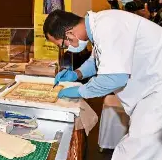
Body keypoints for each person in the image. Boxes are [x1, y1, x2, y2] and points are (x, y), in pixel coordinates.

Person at [44, 10, 162, 159]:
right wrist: (76, 74)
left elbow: (115, 78)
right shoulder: (100, 25)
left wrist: (81, 91)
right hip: (150, 89)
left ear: (69, 34)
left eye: (62, 45)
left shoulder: (108, 26)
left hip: (157, 91)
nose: (66, 48)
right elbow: (97, 60)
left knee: (136, 151)